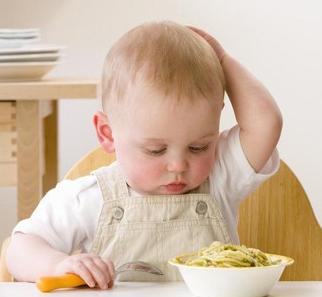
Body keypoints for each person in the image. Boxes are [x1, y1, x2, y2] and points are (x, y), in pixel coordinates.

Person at [6, 21, 282, 289]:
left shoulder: (221, 178)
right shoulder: (88, 198)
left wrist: (222, 61)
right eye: (155, 150)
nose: (178, 165)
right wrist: (57, 265)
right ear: (108, 134)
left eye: (199, 147)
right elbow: (20, 248)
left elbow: (266, 123)